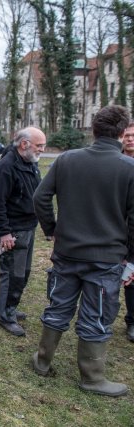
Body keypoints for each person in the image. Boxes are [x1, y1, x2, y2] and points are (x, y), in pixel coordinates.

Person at [31, 106, 134, 397]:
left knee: (58, 305)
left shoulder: (67, 160)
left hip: (68, 252)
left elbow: (40, 198)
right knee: (97, 315)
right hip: (106, 258)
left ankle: (42, 361)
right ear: (121, 132)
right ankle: (92, 378)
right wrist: (131, 256)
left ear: (94, 129)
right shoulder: (129, 169)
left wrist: (52, 229)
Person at [0, 127, 46, 336]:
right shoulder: (6, 167)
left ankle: (3, 306)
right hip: (13, 230)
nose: (42, 149)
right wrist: (4, 232)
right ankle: (6, 315)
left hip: (28, 227)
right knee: (13, 273)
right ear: (24, 144)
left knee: (23, 272)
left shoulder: (30, 163)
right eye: (39, 146)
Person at [122, 121, 134, 343]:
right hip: (116, 225)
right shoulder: (116, 161)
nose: (129, 139)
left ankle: (132, 320)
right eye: (126, 135)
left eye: (133, 135)